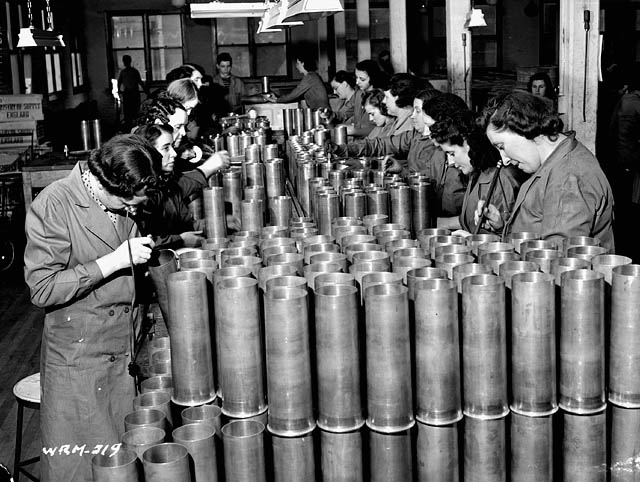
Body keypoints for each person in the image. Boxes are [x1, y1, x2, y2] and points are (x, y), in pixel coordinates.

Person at [24, 134, 160, 482]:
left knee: (122, 466)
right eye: (131, 201)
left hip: (122, 352)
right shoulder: (55, 203)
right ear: (111, 185)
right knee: (82, 469)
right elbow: (42, 288)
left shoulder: (121, 201)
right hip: (80, 361)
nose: (136, 208)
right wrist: (113, 262)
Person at [480, 91, 615, 251]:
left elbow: (557, 258)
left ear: (524, 129)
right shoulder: (555, 164)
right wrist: (502, 228)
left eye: (501, 146)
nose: (504, 160)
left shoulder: (568, 178)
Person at [331, 89, 467, 219]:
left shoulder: (449, 153)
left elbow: (442, 197)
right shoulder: (416, 136)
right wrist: (342, 149)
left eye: (418, 111)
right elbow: (382, 144)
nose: (413, 116)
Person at [135, 123, 230, 248]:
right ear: (147, 154)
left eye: (172, 146)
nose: (174, 153)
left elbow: (182, 226)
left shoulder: (167, 184)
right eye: (166, 148)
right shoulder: (141, 195)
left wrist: (214, 223)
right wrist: (180, 240)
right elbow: (142, 241)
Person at [430, 109, 524, 235]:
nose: (451, 162)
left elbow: (508, 234)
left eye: (452, 154)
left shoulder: (502, 178)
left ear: (468, 144)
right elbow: (468, 220)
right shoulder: (476, 173)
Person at [608, 62, 640, 261]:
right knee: (628, 212)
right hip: (627, 161)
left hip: (624, 160)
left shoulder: (628, 99)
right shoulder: (632, 101)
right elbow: (624, 136)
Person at [118, 55, 147, 129]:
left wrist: (146, 91)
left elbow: (140, 82)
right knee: (130, 112)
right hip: (130, 93)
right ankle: (131, 127)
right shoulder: (127, 72)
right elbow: (119, 82)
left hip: (131, 94)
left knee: (133, 112)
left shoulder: (129, 72)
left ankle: (133, 127)